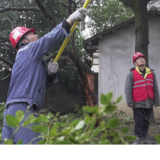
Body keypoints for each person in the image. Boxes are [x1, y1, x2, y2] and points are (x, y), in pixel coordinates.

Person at [2, 8, 87, 145]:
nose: (36, 35)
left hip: (11, 109)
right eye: (30, 34)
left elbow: (37, 85)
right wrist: (70, 20)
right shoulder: (28, 50)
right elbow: (49, 39)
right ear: (23, 40)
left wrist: (50, 75)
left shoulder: (27, 58)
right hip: (22, 108)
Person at [125, 52, 160, 145]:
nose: (141, 59)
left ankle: (145, 137)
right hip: (137, 102)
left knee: (146, 121)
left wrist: (156, 101)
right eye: (138, 58)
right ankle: (137, 137)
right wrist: (130, 103)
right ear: (135, 62)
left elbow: (155, 88)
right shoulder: (131, 74)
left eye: (142, 58)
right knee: (139, 121)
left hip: (149, 102)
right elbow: (128, 89)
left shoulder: (151, 73)